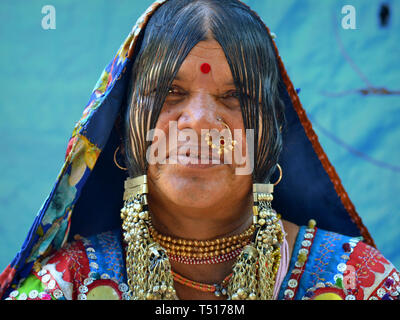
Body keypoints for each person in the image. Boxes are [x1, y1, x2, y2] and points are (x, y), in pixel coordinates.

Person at [1, 0, 399, 301]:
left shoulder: (358, 283)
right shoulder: (66, 286)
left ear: (272, 138)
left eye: (236, 96)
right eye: (169, 93)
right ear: (123, 132)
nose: (201, 121)